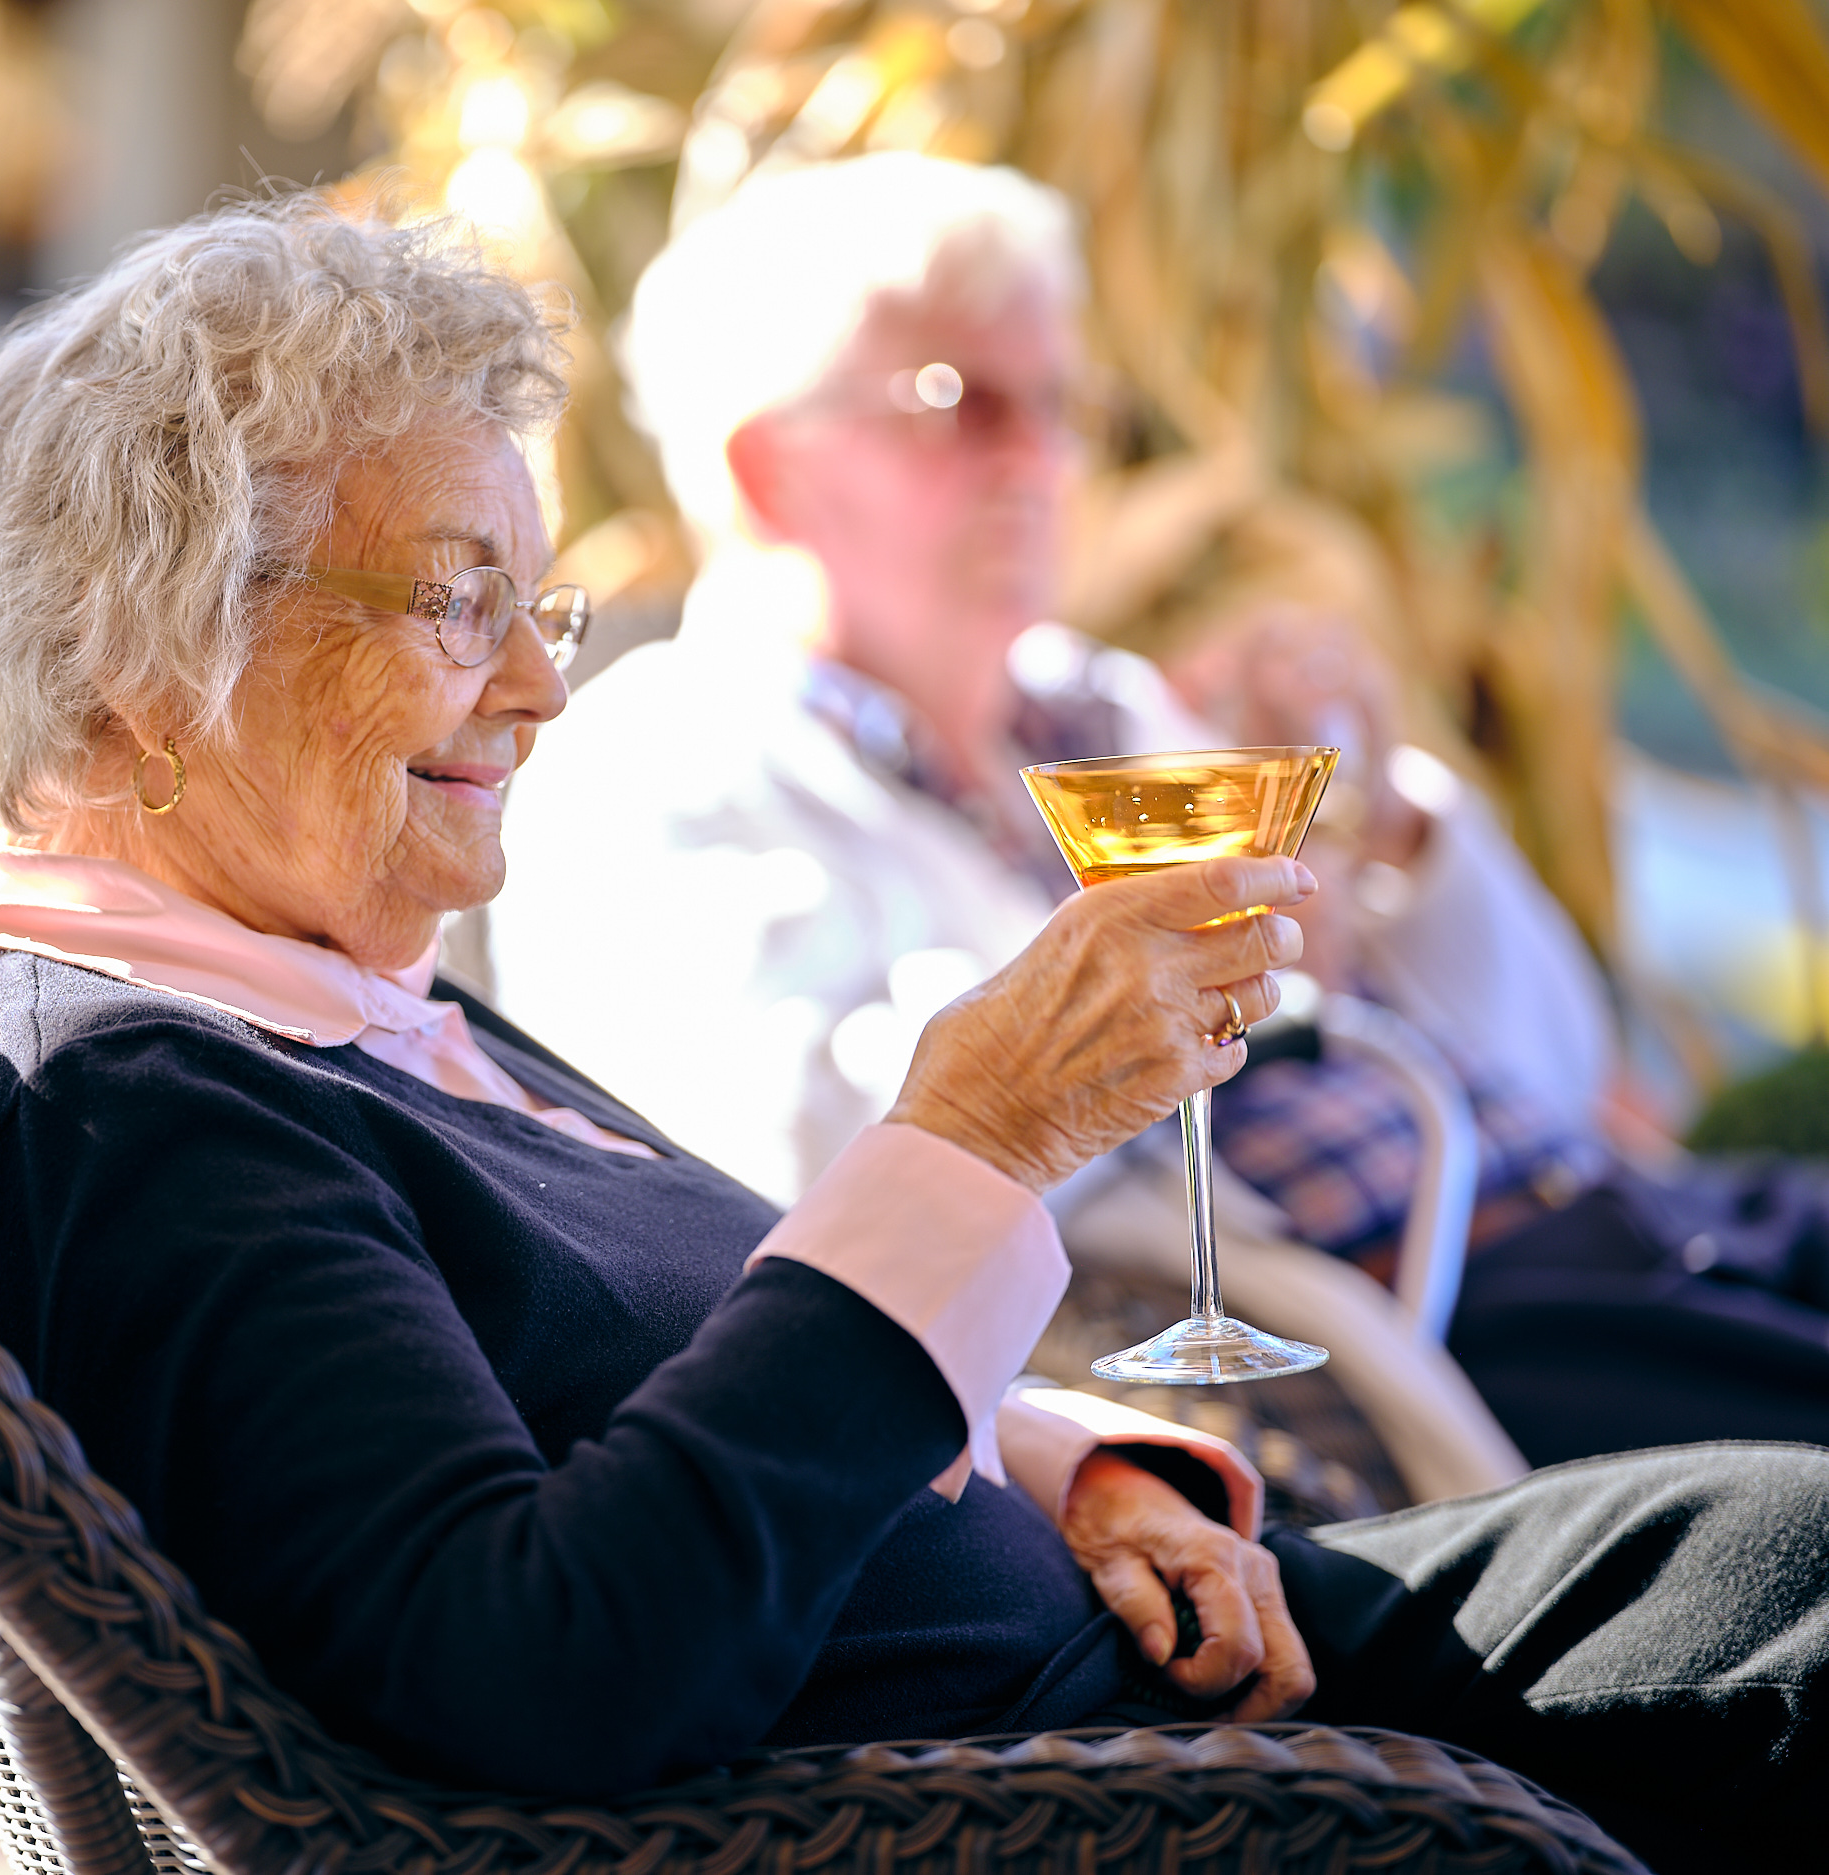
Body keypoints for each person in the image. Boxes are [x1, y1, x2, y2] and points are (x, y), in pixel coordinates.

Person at [0, 195, 1826, 1870]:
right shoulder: (129, 1100)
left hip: (1156, 1648)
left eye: (545, 607)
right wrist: (972, 1133)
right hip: (1077, 1789)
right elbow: (540, 1666)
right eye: (459, 602)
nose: (536, 685)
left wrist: (1061, 1455)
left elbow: (657, 1358)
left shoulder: (290, 1002)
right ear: (139, 645)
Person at [485, 153, 1829, 1468]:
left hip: (1625, 1218)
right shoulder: (654, 770)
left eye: (1059, 403)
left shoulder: (1103, 711)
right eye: (958, 402)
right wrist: (1187, 981)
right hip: (1446, 1326)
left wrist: (1381, 835)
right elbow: (795, 1175)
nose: (1037, 460)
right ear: (771, 469)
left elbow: (1540, 1056)